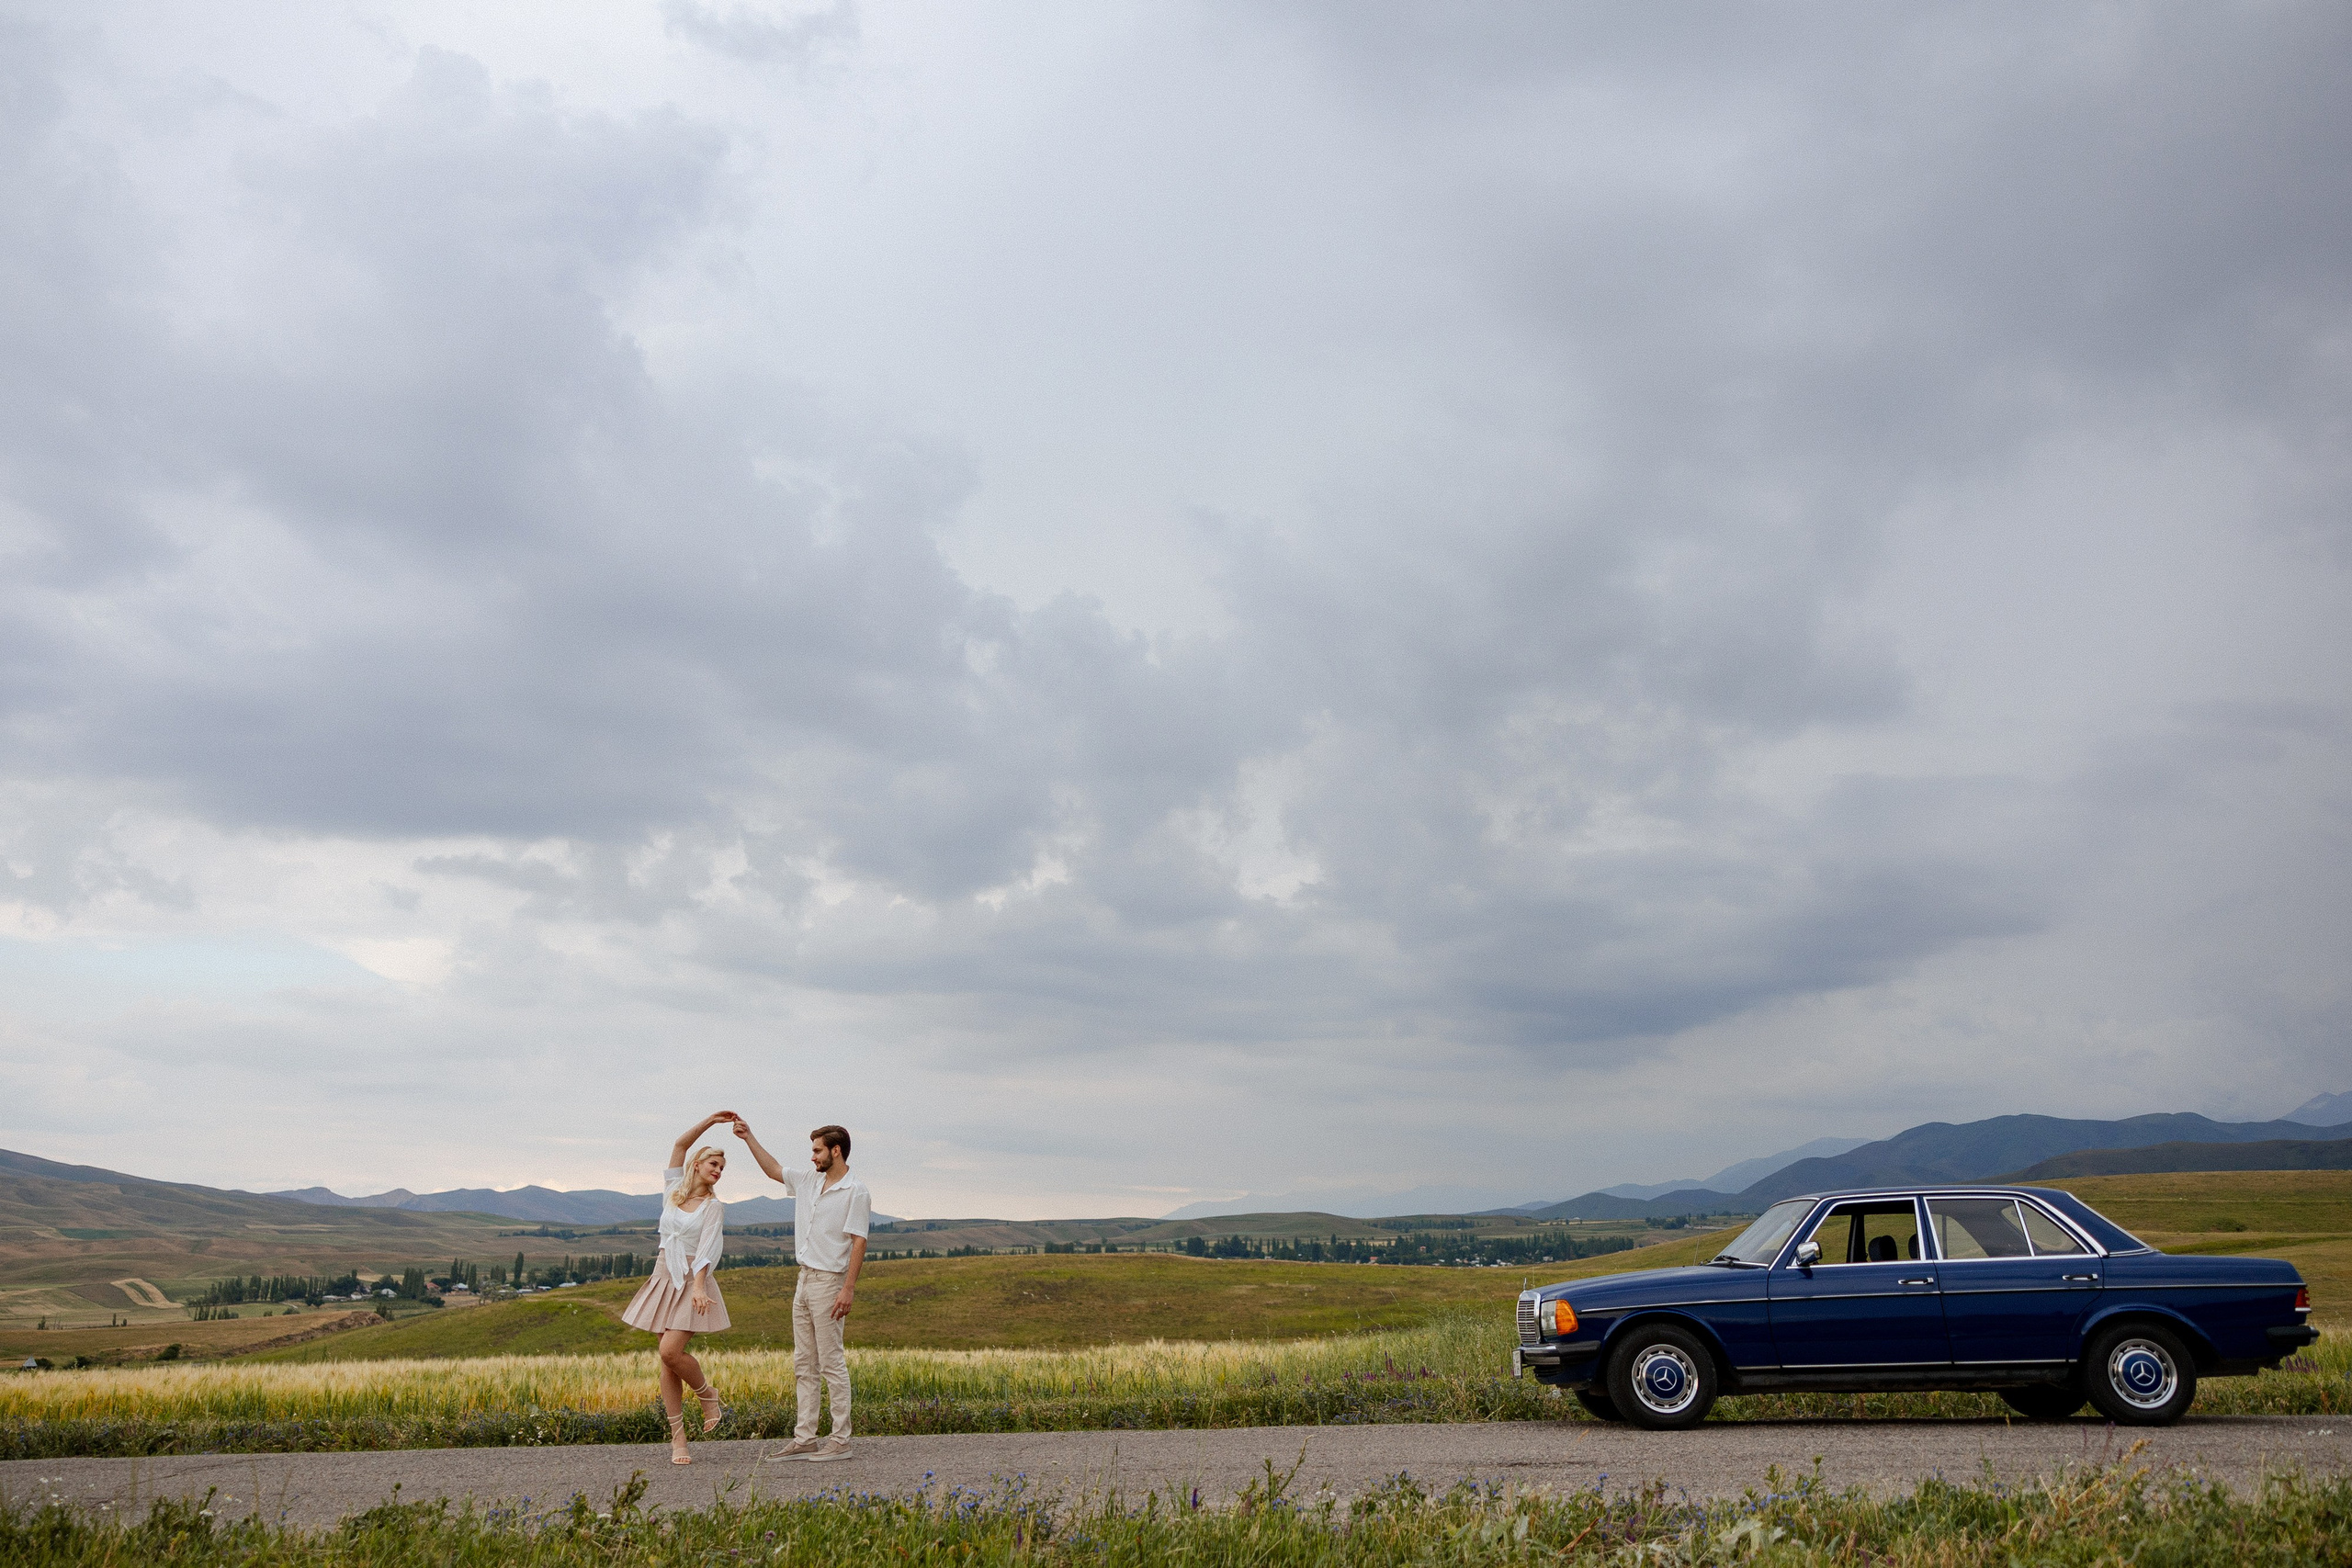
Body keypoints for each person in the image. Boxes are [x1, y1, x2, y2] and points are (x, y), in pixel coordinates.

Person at [731, 1118, 870, 1461]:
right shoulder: (809, 1181)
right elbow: (773, 1169)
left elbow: (859, 1241)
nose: (812, 1157)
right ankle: (805, 1436)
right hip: (804, 1279)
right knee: (804, 1362)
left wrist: (848, 1289)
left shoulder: (856, 1191)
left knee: (831, 1362)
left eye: (817, 1150)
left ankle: (840, 1440)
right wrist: (749, 1136)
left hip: (829, 1281)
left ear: (835, 1151)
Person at [619, 1111, 738, 1465]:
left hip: (690, 1279)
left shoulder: (713, 1207)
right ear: (698, 1165)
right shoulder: (673, 1191)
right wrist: (711, 1121)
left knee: (671, 1351)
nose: (718, 1171)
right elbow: (680, 1144)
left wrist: (699, 1287)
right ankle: (678, 1440)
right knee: (667, 1364)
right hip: (663, 1275)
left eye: (722, 1168)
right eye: (714, 1164)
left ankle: (707, 1394)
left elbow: (707, 1250)